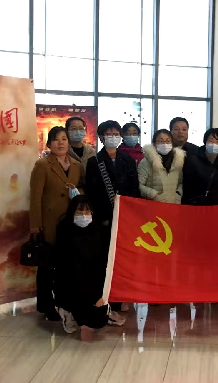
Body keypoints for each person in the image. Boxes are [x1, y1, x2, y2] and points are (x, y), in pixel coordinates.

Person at [30, 126, 83, 321]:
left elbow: (82, 187)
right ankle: (45, 305)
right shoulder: (42, 165)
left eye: (64, 139)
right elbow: (35, 197)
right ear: (49, 144)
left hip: (71, 222)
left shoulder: (76, 165)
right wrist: (35, 224)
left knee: (66, 265)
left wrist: (79, 194)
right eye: (56, 139)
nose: (60, 143)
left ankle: (64, 302)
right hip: (50, 222)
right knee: (47, 265)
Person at [53, 195, 116, 341]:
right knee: (85, 313)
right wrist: (94, 297)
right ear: (71, 212)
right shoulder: (65, 230)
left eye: (87, 211)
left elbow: (104, 261)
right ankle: (66, 310)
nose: (84, 215)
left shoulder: (97, 230)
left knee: (99, 320)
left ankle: (97, 309)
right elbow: (72, 270)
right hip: (71, 283)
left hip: (93, 281)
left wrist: (102, 294)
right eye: (79, 211)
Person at [85, 120, 141, 226]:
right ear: (101, 137)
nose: (113, 137)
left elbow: (134, 187)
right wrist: (102, 217)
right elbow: (92, 192)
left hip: (126, 211)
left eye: (116, 134)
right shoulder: (94, 161)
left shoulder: (128, 159)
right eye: (109, 134)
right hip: (104, 215)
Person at [182, 128, 218, 205]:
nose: (214, 144)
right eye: (211, 140)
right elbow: (187, 186)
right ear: (205, 141)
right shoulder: (193, 160)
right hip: (198, 205)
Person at [138, 129, 185, 203]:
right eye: (161, 141)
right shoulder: (146, 162)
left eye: (168, 141)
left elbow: (181, 182)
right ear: (154, 144)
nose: (165, 144)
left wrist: (178, 194)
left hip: (174, 204)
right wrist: (153, 195)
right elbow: (139, 185)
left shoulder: (178, 161)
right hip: (154, 204)